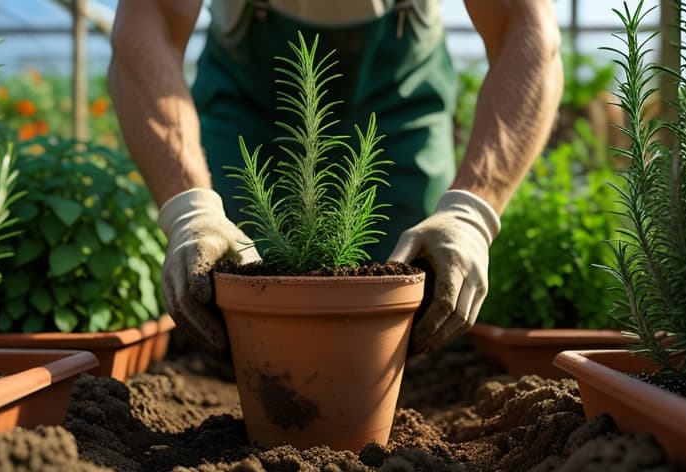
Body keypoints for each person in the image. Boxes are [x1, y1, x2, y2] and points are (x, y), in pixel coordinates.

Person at [108, 0, 563, 356]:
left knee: (410, 308)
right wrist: (190, 208)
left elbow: (526, 32)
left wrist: (471, 213)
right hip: (252, 107)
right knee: (234, 303)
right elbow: (150, 23)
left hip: (399, 111)